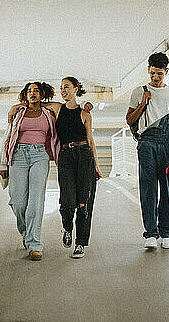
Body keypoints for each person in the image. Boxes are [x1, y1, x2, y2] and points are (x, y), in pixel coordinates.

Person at [126, 52, 169, 250]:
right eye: (152, 73)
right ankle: (151, 233)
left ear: (166, 71)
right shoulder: (138, 91)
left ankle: (167, 233)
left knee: (168, 188)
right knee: (148, 188)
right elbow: (129, 120)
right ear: (148, 70)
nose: (155, 77)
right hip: (147, 143)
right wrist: (143, 102)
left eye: (159, 74)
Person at [0, 82, 59, 261]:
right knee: (17, 201)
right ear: (25, 94)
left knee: (36, 201)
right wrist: (3, 164)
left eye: (36, 91)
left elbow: (63, 105)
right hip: (17, 155)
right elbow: (8, 136)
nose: (32, 93)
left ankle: (34, 244)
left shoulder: (49, 113)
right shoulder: (17, 113)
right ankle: (25, 232)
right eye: (29, 91)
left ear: (42, 94)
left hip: (40, 155)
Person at [54, 77, 102, 258]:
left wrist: (96, 165)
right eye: (61, 88)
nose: (63, 90)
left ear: (76, 88)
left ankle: (80, 243)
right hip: (66, 156)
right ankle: (67, 227)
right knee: (67, 200)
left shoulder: (85, 114)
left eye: (66, 87)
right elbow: (38, 102)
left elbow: (90, 141)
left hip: (84, 156)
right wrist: (14, 107)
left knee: (84, 202)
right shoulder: (58, 108)